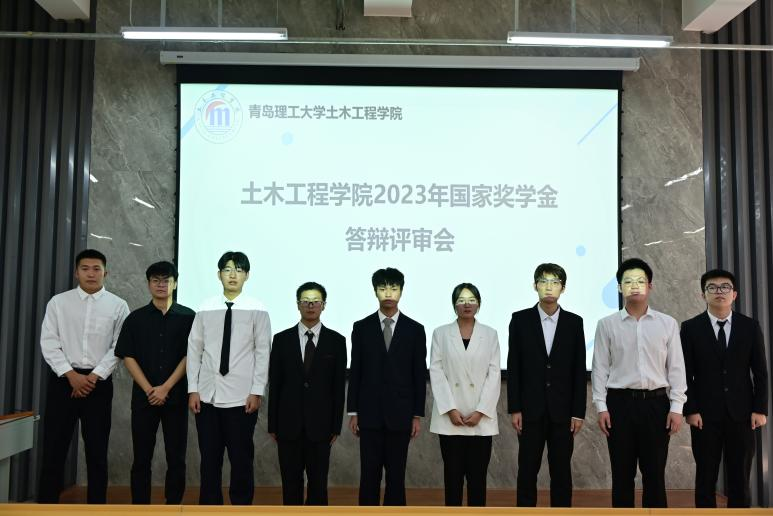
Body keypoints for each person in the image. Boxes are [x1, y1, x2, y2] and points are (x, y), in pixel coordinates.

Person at [591, 257, 686, 508]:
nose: (634, 286)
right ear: (619, 287)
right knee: (622, 474)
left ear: (650, 286)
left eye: (640, 281)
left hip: (656, 405)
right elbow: (599, 369)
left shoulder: (667, 323)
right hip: (619, 405)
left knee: (654, 474)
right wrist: (601, 407)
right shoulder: (607, 325)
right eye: (628, 281)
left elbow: (676, 368)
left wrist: (677, 408)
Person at [38, 249, 130, 503]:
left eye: (96, 269)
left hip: (98, 385)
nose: (91, 273)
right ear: (76, 272)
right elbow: (49, 342)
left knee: (97, 450)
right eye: (85, 268)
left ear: (105, 273)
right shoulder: (58, 303)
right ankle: (46, 506)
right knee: (54, 448)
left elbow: (120, 346)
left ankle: (96, 507)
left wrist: (94, 376)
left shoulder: (118, 305)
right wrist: (70, 374)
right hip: (63, 382)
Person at [187, 251, 271, 505]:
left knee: (241, 458)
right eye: (227, 269)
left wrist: (257, 391)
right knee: (209, 459)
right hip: (207, 396)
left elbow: (263, 352)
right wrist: (193, 389)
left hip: (242, 397)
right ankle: (209, 507)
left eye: (238, 270)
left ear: (247, 275)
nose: (233, 275)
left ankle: (241, 506)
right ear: (219, 274)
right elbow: (194, 349)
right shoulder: (205, 307)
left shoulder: (257, 309)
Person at [681, 269, 768, 508]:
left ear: (734, 294)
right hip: (704, 416)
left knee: (740, 478)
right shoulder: (690, 328)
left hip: (742, 415)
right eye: (712, 287)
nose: (719, 292)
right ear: (703, 294)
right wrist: (691, 409)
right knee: (705, 477)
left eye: (725, 287)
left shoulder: (750, 327)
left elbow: (760, 372)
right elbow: (684, 373)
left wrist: (760, 409)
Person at [114, 261, 195, 504]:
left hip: (176, 397)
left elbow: (191, 355)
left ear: (175, 283)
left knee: (176, 458)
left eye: (166, 280)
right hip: (144, 398)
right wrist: (150, 389)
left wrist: (166, 387)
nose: (161, 285)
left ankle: (173, 506)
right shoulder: (135, 319)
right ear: (148, 284)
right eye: (156, 280)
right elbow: (128, 356)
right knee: (141, 458)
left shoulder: (189, 317)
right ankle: (140, 506)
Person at [507, 263, 586, 507]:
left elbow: (578, 370)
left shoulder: (574, 322)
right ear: (535, 286)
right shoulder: (520, 320)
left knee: (561, 470)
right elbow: (514, 367)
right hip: (530, 410)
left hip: (563, 411)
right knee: (527, 469)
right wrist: (515, 408)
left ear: (563, 288)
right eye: (543, 281)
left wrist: (578, 412)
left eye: (555, 282)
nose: (549, 287)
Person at [347, 267, 427, 506]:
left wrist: (416, 415)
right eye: (382, 288)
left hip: (401, 414)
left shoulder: (415, 329)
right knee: (369, 476)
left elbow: (418, 375)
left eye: (393, 288)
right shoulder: (361, 327)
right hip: (369, 414)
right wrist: (353, 412)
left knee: (396, 477)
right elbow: (356, 371)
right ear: (375, 291)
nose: (388, 293)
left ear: (401, 291)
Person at [267, 281, 346, 505]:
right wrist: (273, 424)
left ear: (324, 305)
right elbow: (275, 384)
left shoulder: (337, 341)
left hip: (321, 427)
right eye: (305, 301)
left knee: (318, 484)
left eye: (315, 301)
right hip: (288, 425)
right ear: (298, 305)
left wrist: (335, 426)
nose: (311, 306)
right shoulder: (281, 340)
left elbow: (338, 388)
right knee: (290, 483)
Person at [429, 283, 500, 507]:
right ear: (454, 305)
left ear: (479, 304)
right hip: (450, 418)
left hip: (481, 418)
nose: (466, 305)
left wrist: (481, 411)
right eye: (461, 300)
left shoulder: (490, 334)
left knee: (477, 479)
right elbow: (436, 371)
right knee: (452, 478)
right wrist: (450, 409)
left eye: (471, 300)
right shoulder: (441, 333)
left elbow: (494, 374)